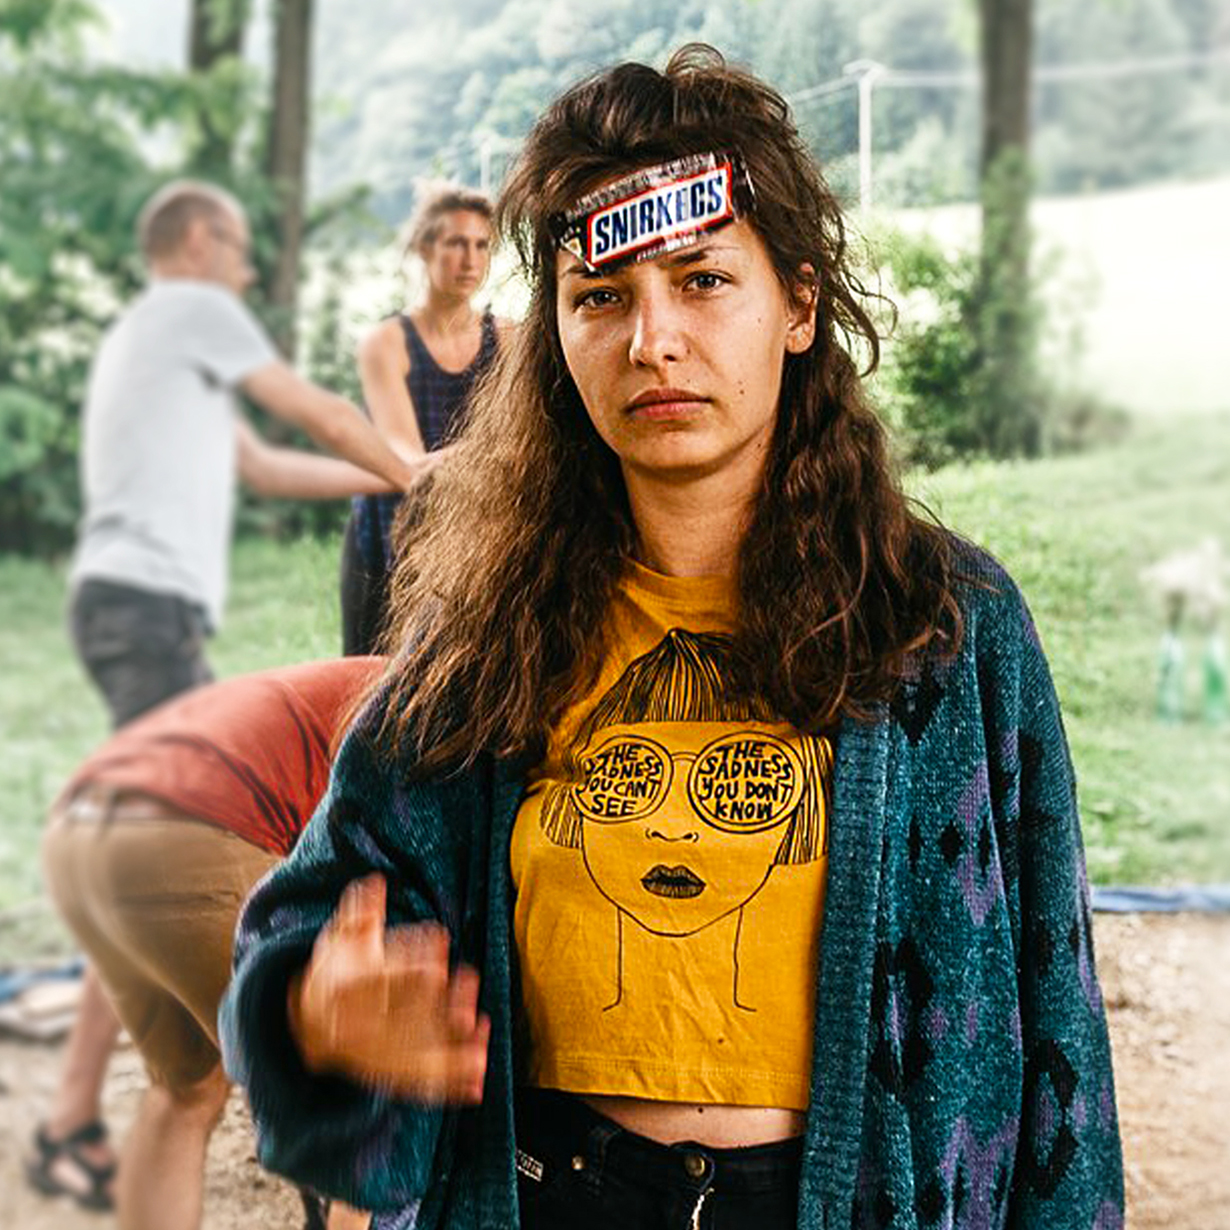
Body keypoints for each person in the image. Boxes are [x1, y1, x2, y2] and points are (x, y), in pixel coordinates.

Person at [220, 46, 1125, 1230]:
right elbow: (309, 924)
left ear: (798, 304)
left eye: (701, 280)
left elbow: (1057, 1013)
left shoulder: (943, 627)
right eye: (600, 297)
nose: (651, 338)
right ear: (554, 330)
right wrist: (317, 1010)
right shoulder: (486, 641)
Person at [35, 657, 384, 1230]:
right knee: (361, 1097)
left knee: (186, 1088)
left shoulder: (377, 679)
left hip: (81, 826)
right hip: (189, 828)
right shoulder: (440, 708)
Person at [68, 178, 427, 729]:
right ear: (198, 239)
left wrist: (392, 477)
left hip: (124, 601)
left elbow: (263, 468)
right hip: (144, 601)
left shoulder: (148, 335)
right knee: (187, 774)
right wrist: (408, 475)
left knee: (189, 763)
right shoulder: (194, 307)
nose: (249, 272)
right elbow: (323, 416)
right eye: (239, 249)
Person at [340, 183, 509, 655]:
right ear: (424, 247)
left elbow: (524, 450)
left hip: (477, 527)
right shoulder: (385, 343)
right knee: (372, 678)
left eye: (482, 245)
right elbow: (408, 466)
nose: (470, 260)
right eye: (456, 243)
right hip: (389, 532)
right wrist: (492, 454)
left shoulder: (508, 338)